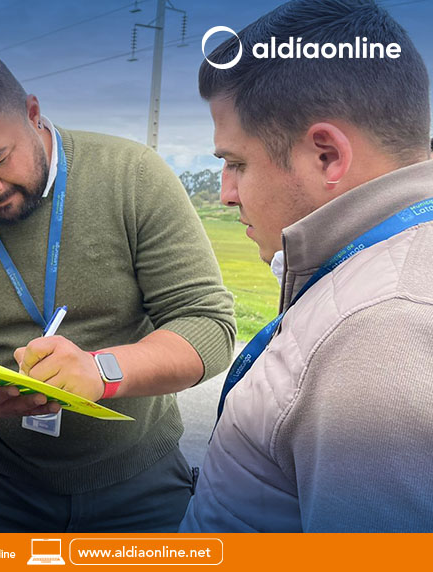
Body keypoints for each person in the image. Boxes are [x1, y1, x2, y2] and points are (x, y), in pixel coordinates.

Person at [0, 49, 236, 533]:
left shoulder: (132, 175)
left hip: (139, 478)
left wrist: (101, 372)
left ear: (33, 114)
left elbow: (208, 324)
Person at [181, 0, 433, 532]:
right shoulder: (383, 269)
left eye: (236, 163)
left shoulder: (379, 329)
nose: (226, 193)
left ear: (327, 156)